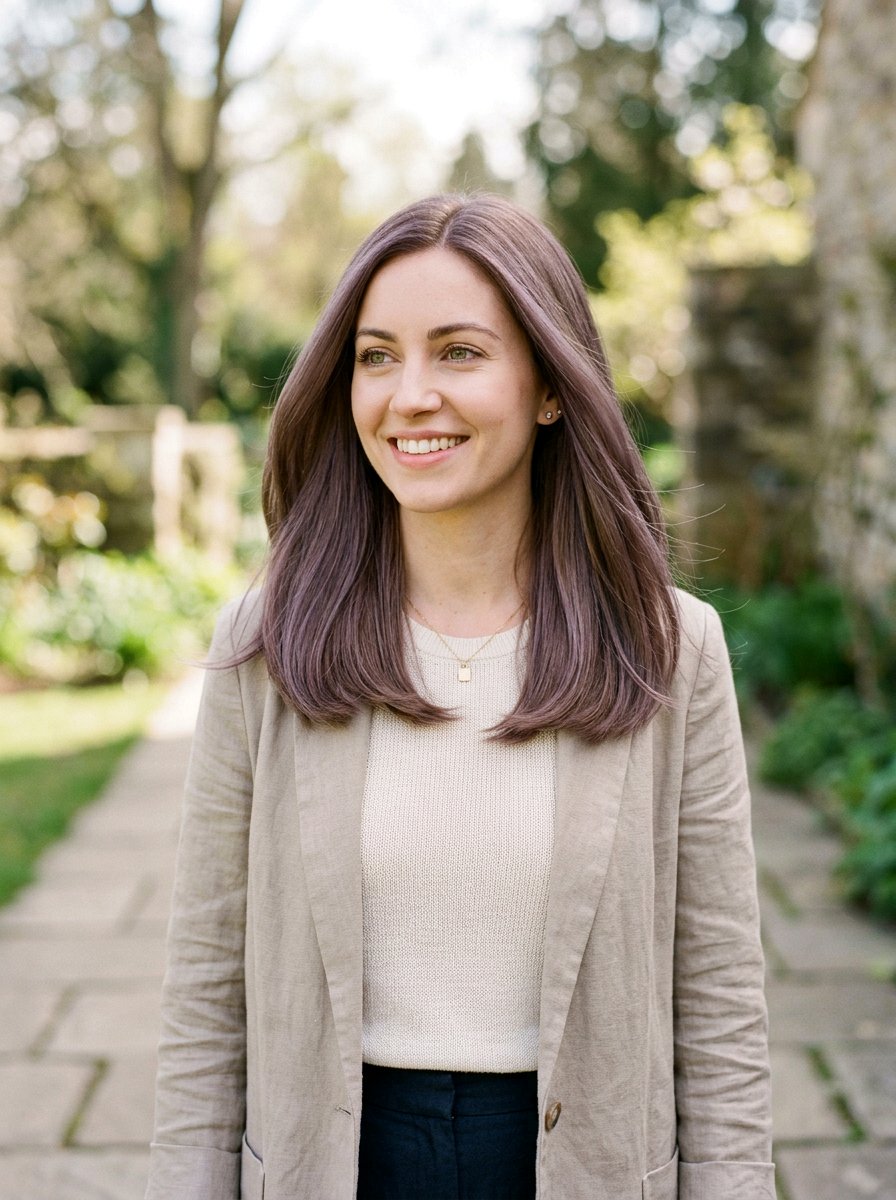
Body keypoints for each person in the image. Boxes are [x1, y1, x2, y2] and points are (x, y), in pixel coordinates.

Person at [145, 193, 774, 1200]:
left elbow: (718, 997)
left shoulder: (668, 645)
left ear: (550, 389)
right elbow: (207, 991)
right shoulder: (266, 645)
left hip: (581, 1167)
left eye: (459, 352)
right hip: (335, 1162)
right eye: (377, 356)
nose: (409, 395)